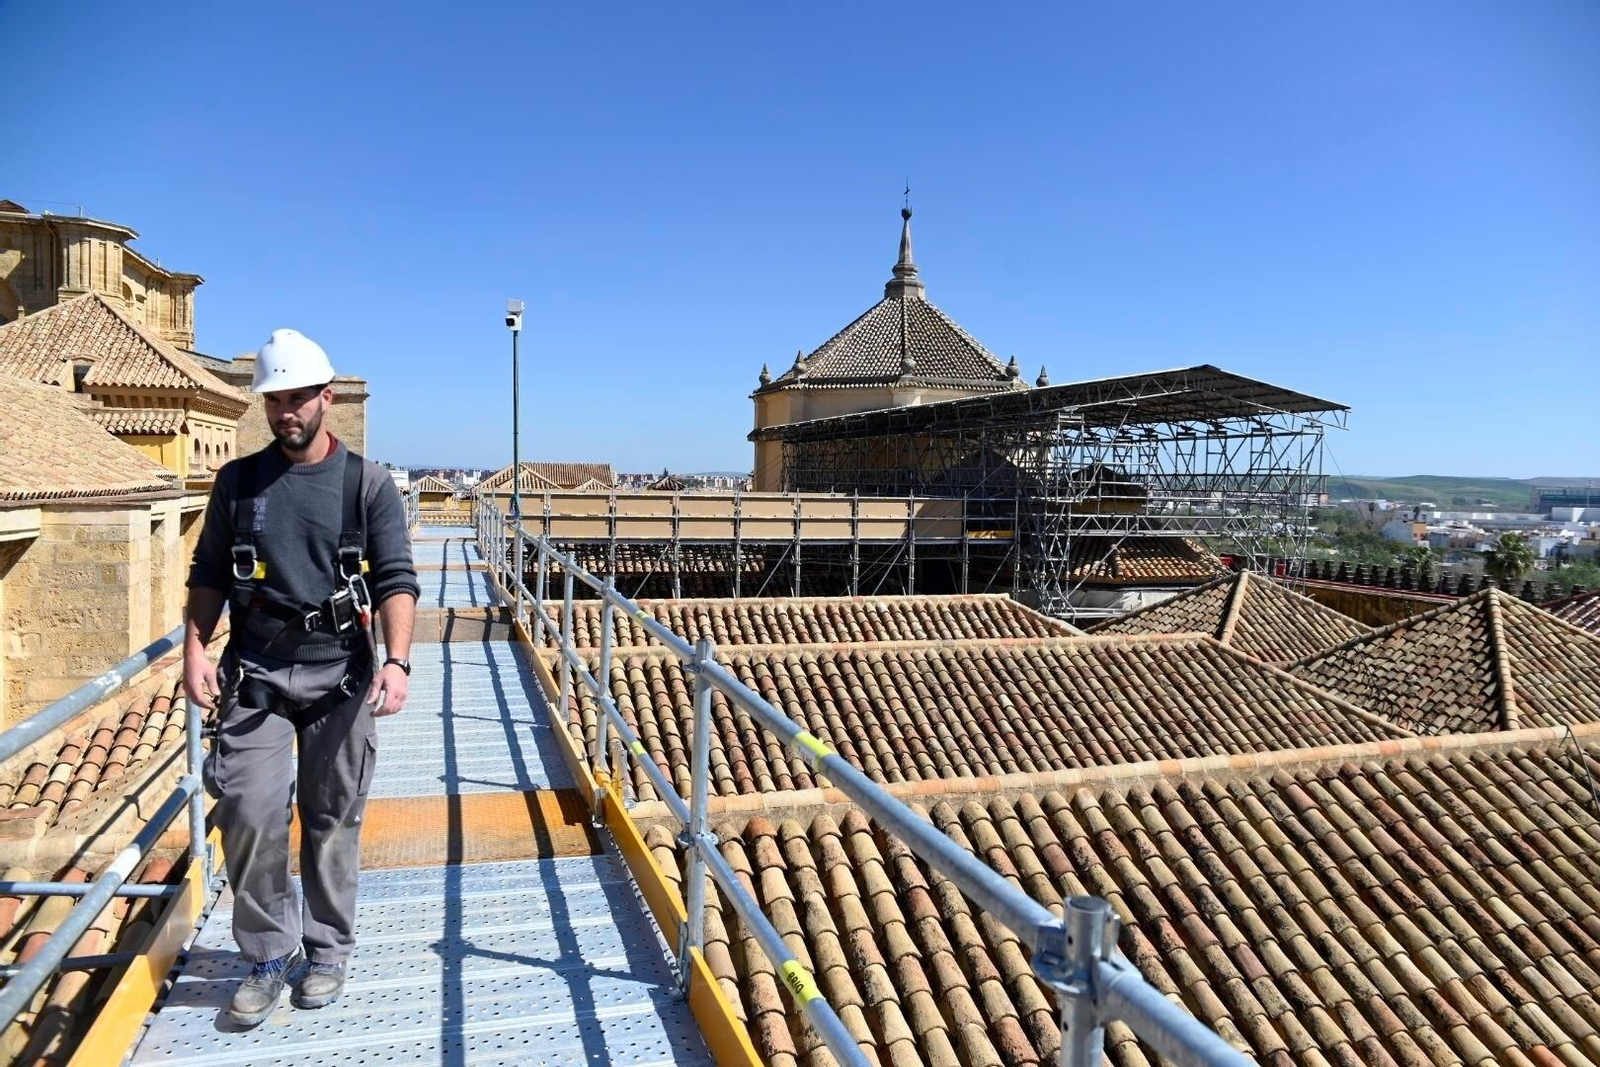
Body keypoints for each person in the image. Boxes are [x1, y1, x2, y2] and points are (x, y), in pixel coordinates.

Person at [183, 328, 420, 1027]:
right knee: (248, 810)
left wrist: (398, 661)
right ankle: (266, 953)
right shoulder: (237, 483)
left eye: (296, 398)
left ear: (326, 398)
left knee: (331, 817)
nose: (285, 411)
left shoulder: (366, 485)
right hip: (257, 672)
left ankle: (327, 949)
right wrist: (195, 648)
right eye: (274, 400)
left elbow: (397, 578)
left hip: (341, 675)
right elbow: (208, 571)